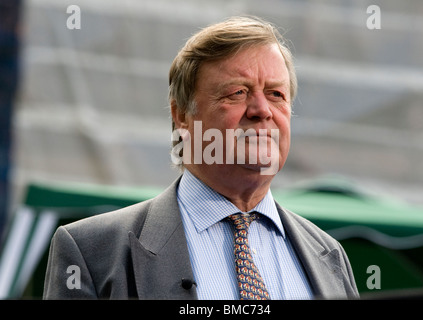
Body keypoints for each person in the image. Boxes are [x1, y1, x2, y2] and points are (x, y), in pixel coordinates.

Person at [43, 16, 359, 300]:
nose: (262, 110)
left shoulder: (329, 255)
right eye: (238, 93)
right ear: (182, 116)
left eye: (276, 94)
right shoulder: (93, 252)